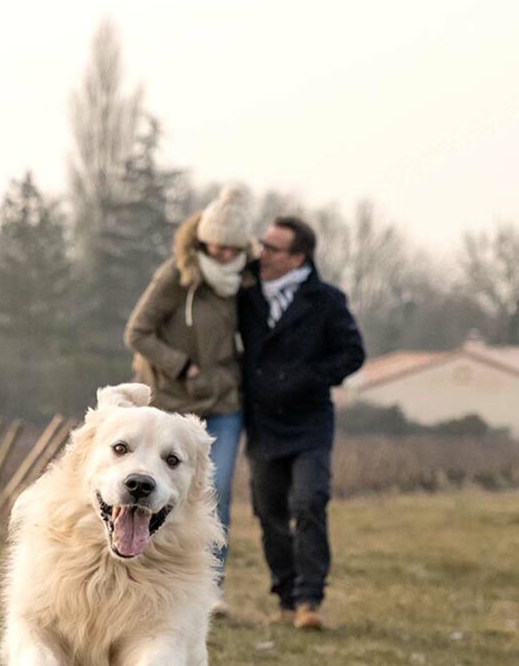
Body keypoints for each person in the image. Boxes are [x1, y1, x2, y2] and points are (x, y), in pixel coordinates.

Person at [124, 186, 255, 612]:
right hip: (171, 404)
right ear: (202, 240)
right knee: (158, 490)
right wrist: (180, 365)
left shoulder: (246, 283)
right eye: (214, 246)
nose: (221, 255)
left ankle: (208, 590)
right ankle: (148, 575)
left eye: (230, 248)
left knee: (213, 493)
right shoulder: (176, 276)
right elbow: (137, 332)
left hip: (225, 404)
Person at [237, 216, 365, 629]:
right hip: (262, 423)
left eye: (273, 248)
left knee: (309, 502)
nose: (263, 253)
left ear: (297, 258)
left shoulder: (326, 300)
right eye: (263, 244)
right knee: (269, 511)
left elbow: (352, 354)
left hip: (309, 422)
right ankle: (286, 600)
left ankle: (310, 600)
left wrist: (306, 377)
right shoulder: (245, 292)